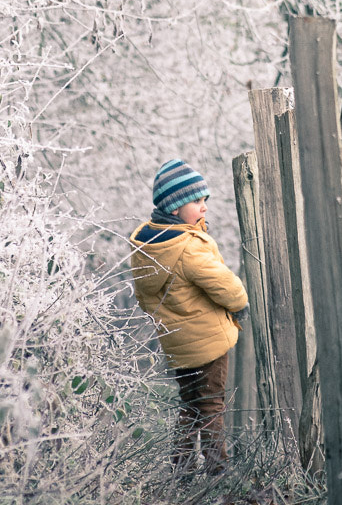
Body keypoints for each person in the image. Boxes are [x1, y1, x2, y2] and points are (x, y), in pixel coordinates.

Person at [129, 158, 249, 477]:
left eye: (204, 200)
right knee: (211, 406)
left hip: (178, 345)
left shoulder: (148, 247)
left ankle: (180, 470)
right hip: (208, 345)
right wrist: (240, 305)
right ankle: (217, 472)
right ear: (174, 209)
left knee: (189, 407)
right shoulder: (188, 248)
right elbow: (229, 288)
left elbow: (144, 298)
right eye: (196, 202)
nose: (204, 208)